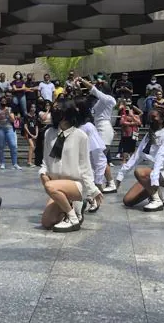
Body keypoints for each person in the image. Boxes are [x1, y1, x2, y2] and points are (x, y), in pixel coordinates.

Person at [39, 99, 104, 231]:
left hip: (75, 184)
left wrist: (93, 190)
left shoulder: (81, 136)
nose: (54, 112)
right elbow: (45, 161)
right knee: (47, 222)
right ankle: (74, 207)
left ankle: (73, 218)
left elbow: (85, 166)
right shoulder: (49, 133)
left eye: (58, 109)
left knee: (50, 186)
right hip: (56, 185)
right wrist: (43, 173)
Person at [116, 106, 164, 212]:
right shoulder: (149, 135)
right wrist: (121, 175)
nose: (151, 120)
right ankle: (160, 191)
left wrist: (154, 178)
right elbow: (137, 155)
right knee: (128, 201)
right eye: (150, 117)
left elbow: (160, 158)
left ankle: (157, 200)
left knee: (139, 172)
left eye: (154, 117)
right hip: (151, 173)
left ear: (162, 119)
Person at [77, 76, 118, 193]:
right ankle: (110, 182)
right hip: (98, 128)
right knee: (100, 158)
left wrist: (82, 80)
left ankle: (105, 183)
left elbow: (93, 89)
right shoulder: (100, 100)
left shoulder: (109, 99)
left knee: (100, 158)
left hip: (104, 129)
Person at [74, 96, 107, 213]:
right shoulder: (71, 127)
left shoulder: (88, 127)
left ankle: (92, 199)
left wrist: (98, 181)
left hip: (86, 171)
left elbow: (99, 157)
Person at [0, 97, 21, 171]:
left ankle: (15, 163)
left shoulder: (9, 109)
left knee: (13, 145)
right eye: (2, 101)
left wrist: (8, 113)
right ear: (0, 102)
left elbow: (13, 120)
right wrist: (0, 114)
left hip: (9, 128)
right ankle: (2, 163)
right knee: (0, 146)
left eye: (5, 101)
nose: (4, 102)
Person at [23, 104, 39, 168]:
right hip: (28, 133)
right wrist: (30, 134)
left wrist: (36, 134)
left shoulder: (36, 116)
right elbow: (25, 126)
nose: (33, 108)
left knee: (33, 147)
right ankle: (29, 162)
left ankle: (30, 161)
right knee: (32, 146)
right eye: (32, 107)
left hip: (34, 133)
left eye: (34, 107)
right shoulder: (26, 116)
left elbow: (37, 126)